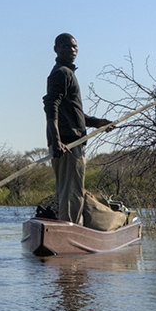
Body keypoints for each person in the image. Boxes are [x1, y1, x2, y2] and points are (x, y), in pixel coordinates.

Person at [43, 33, 112, 225]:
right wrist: (56, 140)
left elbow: (74, 115)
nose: (72, 50)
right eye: (66, 46)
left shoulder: (67, 73)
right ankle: (68, 232)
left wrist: (97, 122)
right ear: (56, 49)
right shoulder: (61, 73)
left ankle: (66, 228)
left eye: (75, 47)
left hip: (69, 140)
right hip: (68, 143)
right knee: (72, 193)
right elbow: (51, 105)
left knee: (68, 191)